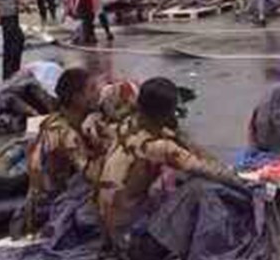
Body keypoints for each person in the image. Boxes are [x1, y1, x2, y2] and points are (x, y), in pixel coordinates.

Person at [97, 77, 241, 249]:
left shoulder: (127, 125)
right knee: (197, 187)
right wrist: (241, 180)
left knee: (168, 178)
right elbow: (204, 169)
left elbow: (184, 144)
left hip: (106, 222)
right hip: (127, 231)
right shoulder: (159, 147)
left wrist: (183, 139)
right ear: (168, 113)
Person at [16, 67, 104, 237]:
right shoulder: (65, 134)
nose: (98, 94)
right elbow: (93, 175)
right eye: (92, 89)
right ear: (77, 98)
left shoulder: (58, 120)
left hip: (42, 199)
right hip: (46, 209)